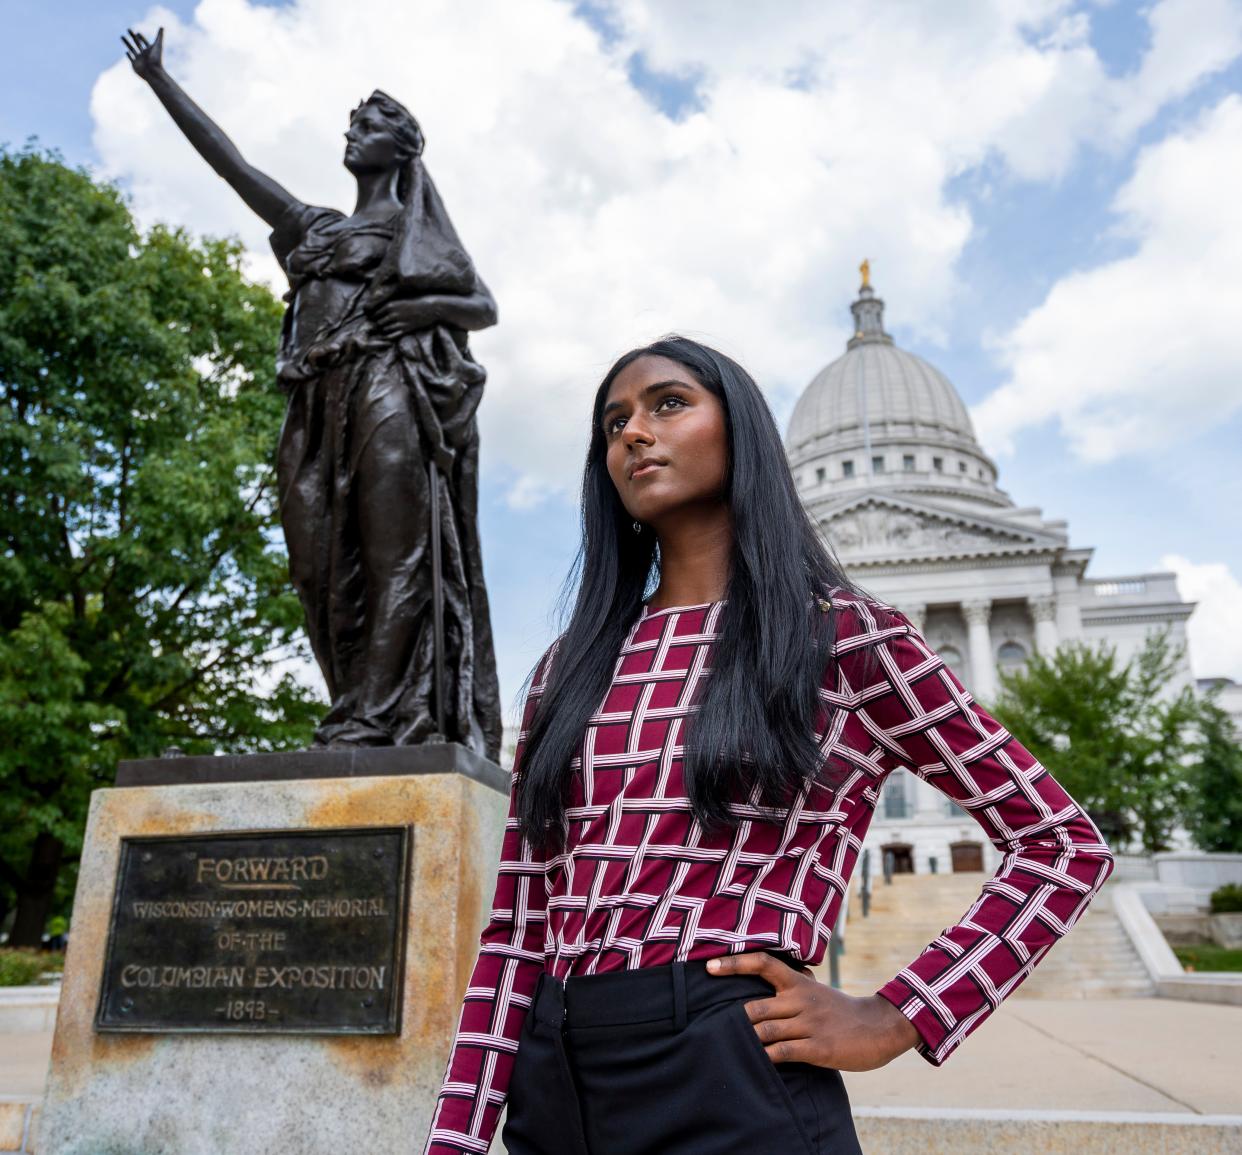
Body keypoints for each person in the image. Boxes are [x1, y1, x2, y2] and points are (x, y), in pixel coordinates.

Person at [422, 337, 1116, 1154]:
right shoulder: (566, 669)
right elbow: (516, 930)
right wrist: (456, 1140)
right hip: (558, 1082)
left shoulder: (846, 640)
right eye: (614, 422)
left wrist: (901, 1012)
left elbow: (1062, 843)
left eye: (667, 403)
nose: (633, 433)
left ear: (740, 429)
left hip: (729, 1071)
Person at [122, 28, 503, 755]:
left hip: (388, 390)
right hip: (315, 404)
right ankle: (356, 700)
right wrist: (160, 84)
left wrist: (423, 309)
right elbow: (233, 167)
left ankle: (376, 715)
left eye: (370, 125)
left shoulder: (414, 232)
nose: (353, 132)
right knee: (318, 563)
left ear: (402, 149)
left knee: (398, 556)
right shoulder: (316, 226)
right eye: (354, 123)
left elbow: (482, 306)